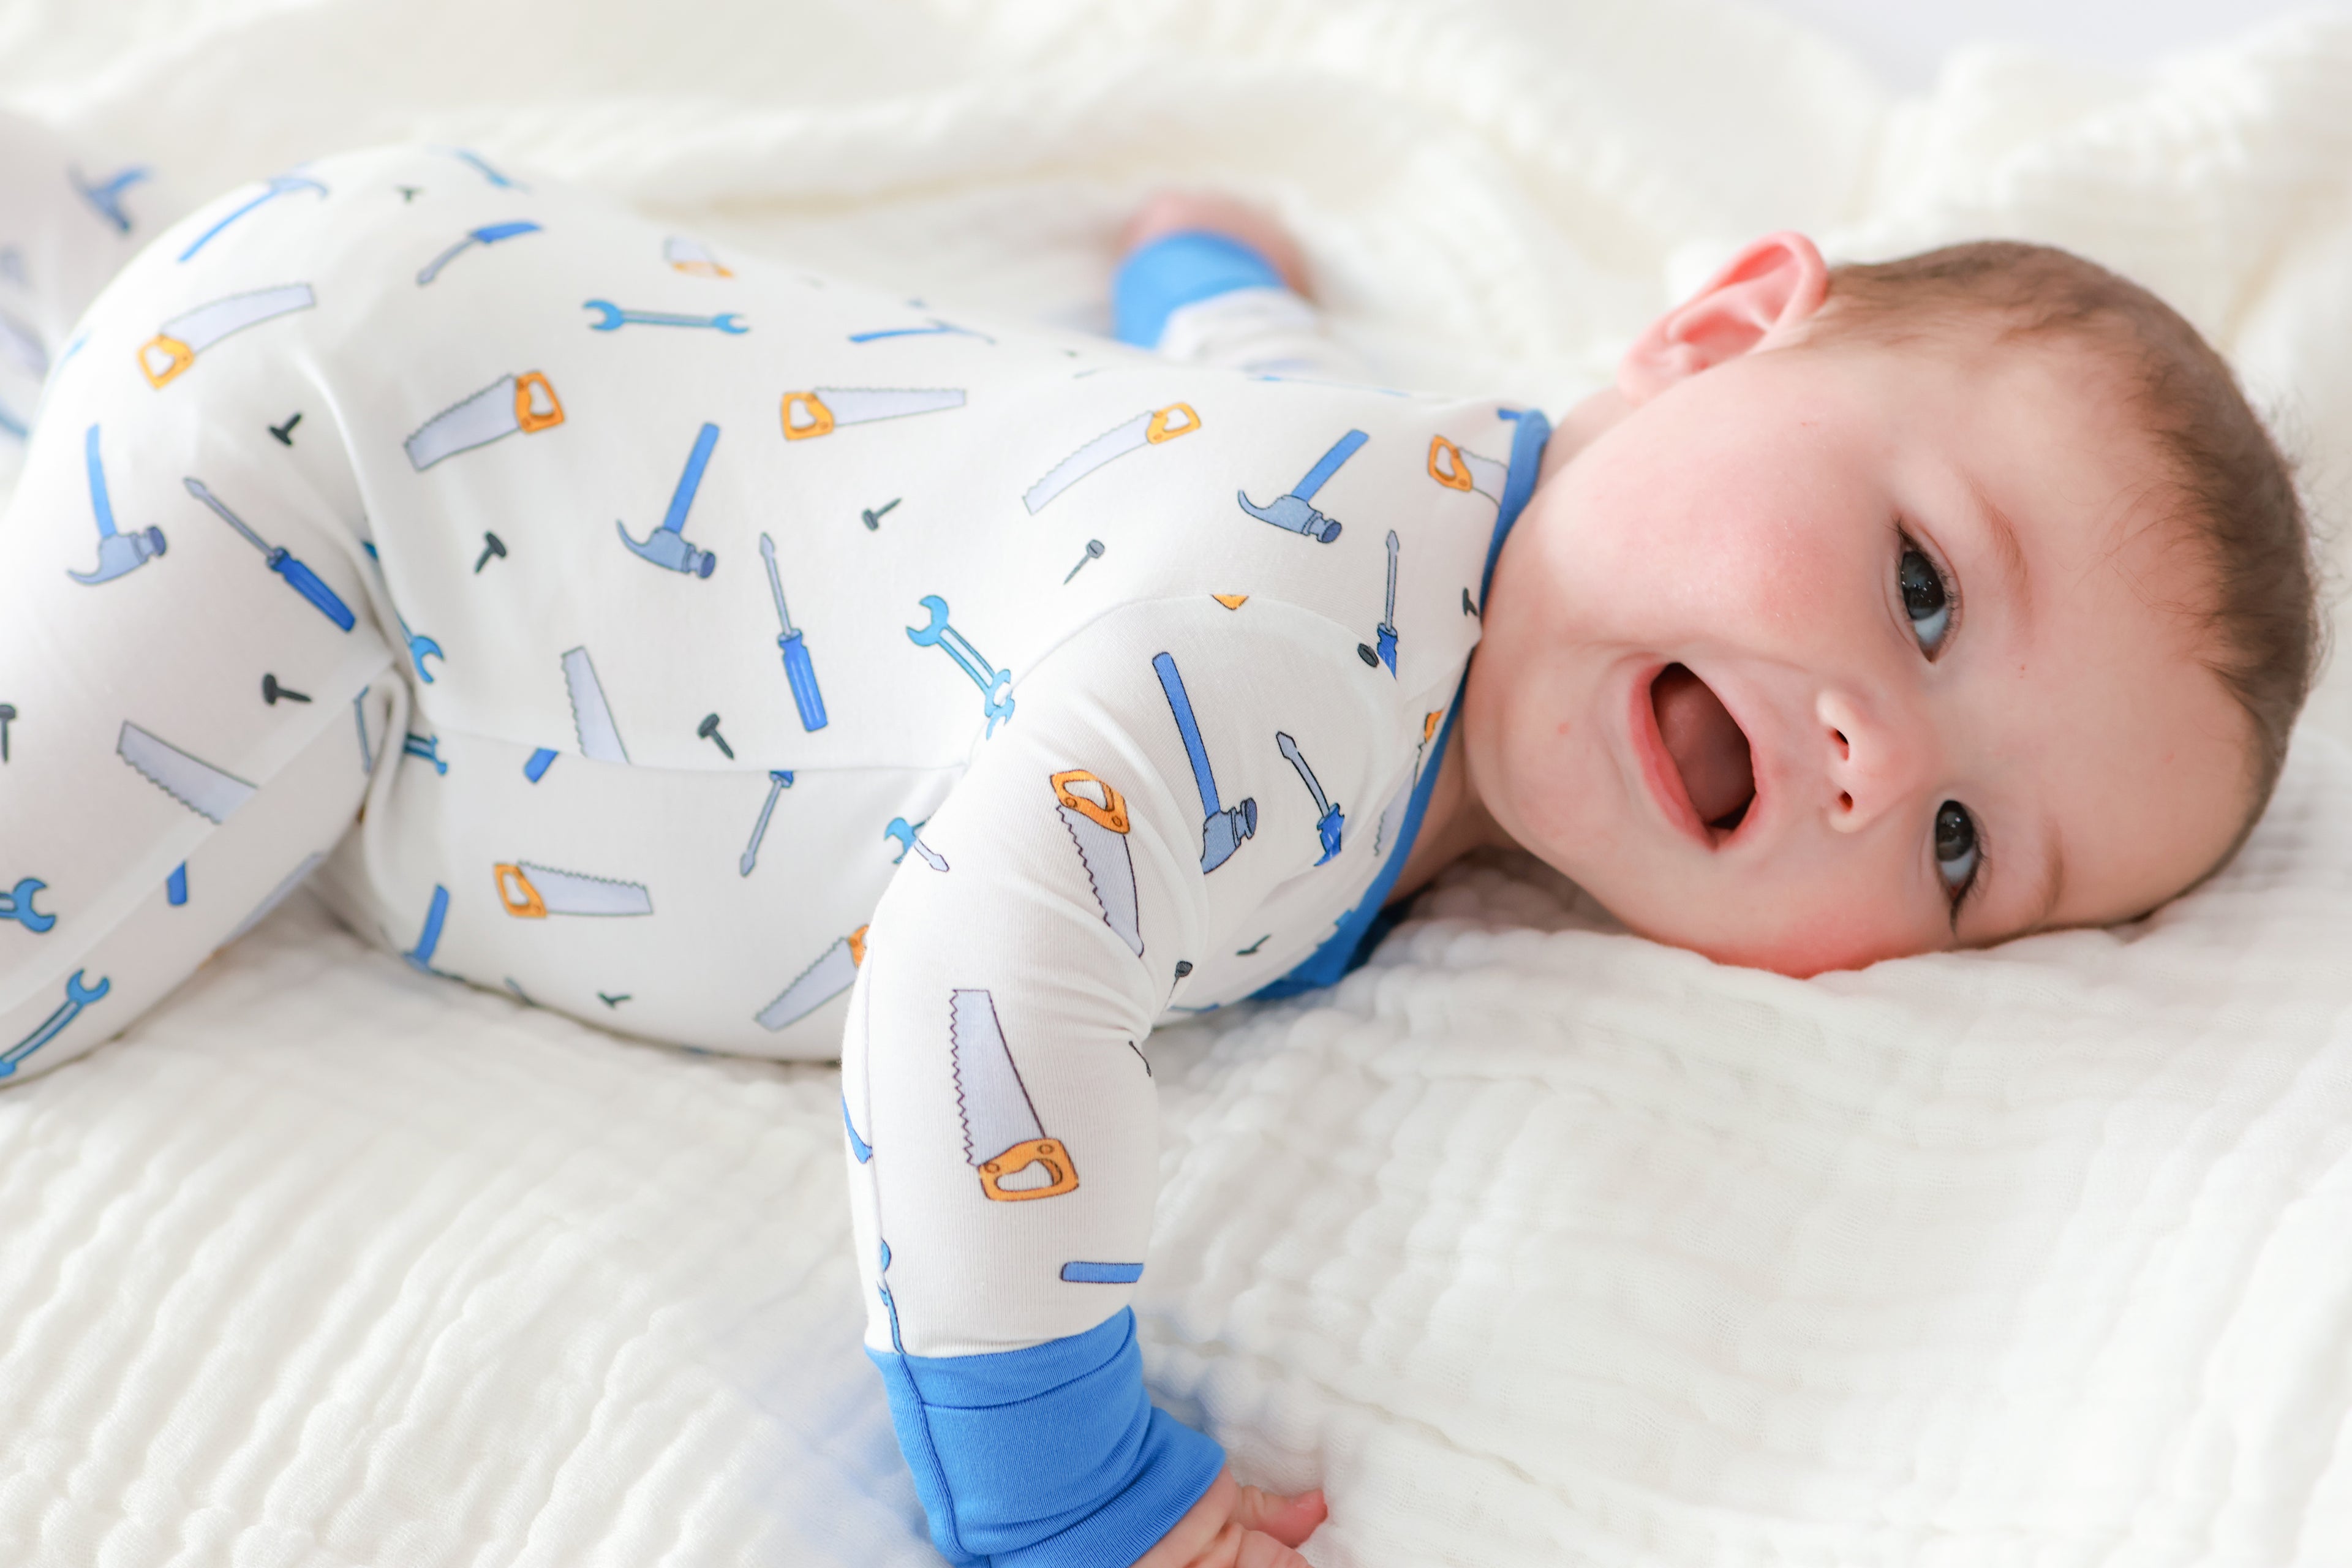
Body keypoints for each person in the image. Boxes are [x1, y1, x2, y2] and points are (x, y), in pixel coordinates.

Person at [0, 130, 2317, 1568]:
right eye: (1922, 582)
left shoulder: (1410, 467)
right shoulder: (1294, 665)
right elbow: (983, 968)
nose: (1859, 746)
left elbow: (1236, 359)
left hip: (431, 293)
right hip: (336, 502)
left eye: (1949, 850)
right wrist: (1068, 1486)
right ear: (1714, 335)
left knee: (105, 364)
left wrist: (1191, 258)